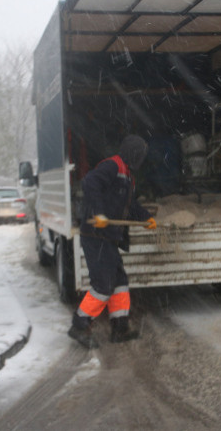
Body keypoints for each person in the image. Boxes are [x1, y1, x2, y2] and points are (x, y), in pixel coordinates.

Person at [67, 135, 157, 349]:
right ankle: (79, 325)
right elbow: (90, 182)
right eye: (139, 154)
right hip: (96, 236)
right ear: (131, 153)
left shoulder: (128, 176)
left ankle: (120, 328)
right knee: (103, 285)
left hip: (108, 238)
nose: (140, 159)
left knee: (119, 282)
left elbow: (129, 204)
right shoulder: (112, 166)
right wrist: (98, 213)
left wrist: (145, 218)